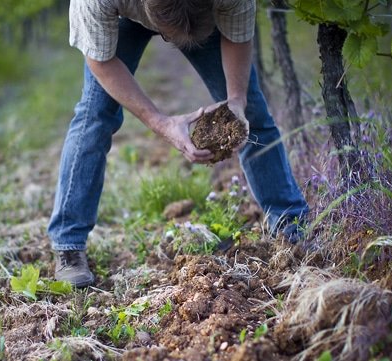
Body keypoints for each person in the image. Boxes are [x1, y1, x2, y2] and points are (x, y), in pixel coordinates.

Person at [48, 0, 309, 287]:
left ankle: (291, 225)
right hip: (123, 14)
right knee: (95, 115)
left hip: (199, 16)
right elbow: (100, 61)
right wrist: (160, 123)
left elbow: (237, 34)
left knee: (251, 115)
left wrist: (236, 100)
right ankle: (68, 245)